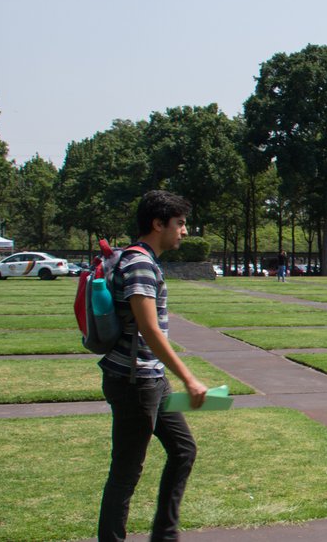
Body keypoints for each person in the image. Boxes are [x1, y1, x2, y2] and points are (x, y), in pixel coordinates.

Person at [98, 190, 207, 542]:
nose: (184, 231)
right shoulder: (140, 264)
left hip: (150, 379)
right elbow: (149, 328)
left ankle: (164, 534)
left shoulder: (142, 260)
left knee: (183, 449)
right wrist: (189, 378)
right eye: (180, 223)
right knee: (126, 472)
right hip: (135, 382)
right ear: (158, 224)